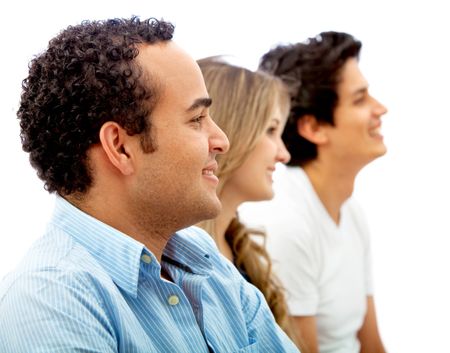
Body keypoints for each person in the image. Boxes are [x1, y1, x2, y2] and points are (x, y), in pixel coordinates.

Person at [0, 17, 300, 352]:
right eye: (197, 119)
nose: (222, 140)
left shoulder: (207, 263)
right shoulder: (51, 303)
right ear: (120, 147)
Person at [239, 31, 387, 353]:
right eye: (360, 99)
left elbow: (371, 344)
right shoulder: (286, 224)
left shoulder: (351, 213)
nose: (382, 109)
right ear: (314, 127)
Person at [196, 57, 297, 342]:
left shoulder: (243, 250)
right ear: (232, 130)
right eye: (270, 130)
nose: (284, 154)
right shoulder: (178, 261)